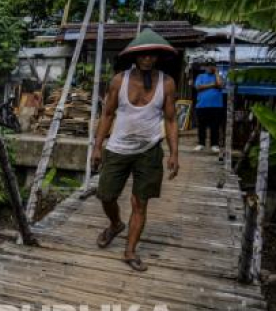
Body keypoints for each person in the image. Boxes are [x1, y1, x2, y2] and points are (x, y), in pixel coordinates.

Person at [91, 29, 180, 272]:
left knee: (140, 203)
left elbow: (171, 120)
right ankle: (115, 224)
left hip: (149, 150)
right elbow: (107, 114)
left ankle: (130, 250)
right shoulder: (119, 80)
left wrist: (174, 153)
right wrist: (97, 147)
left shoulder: (167, 83)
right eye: (143, 55)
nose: (147, 59)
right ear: (135, 57)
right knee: (106, 195)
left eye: (151, 55)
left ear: (157, 57)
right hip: (118, 148)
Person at [193, 60, 224, 152]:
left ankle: (214, 144)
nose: (210, 68)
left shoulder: (218, 76)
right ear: (205, 67)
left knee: (215, 126)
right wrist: (212, 85)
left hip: (217, 105)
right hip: (202, 105)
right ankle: (201, 143)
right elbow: (198, 87)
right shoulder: (200, 76)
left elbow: (219, 84)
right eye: (208, 66)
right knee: (201, 126)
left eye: (212, 66)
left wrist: (217, 73)